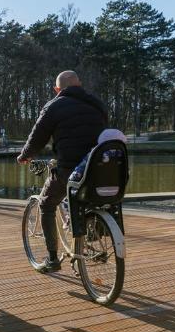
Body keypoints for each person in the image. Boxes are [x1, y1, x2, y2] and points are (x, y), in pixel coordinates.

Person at [16, 71, 107, 273]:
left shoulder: (54, 106)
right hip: (98, 166)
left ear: (57, 90)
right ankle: (92, 227)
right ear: (80, 84)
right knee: (85, 198)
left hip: (70, 168)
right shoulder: (97, 104)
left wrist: (25, 156)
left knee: (47, 203)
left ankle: (52, 259)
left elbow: (37, 137)